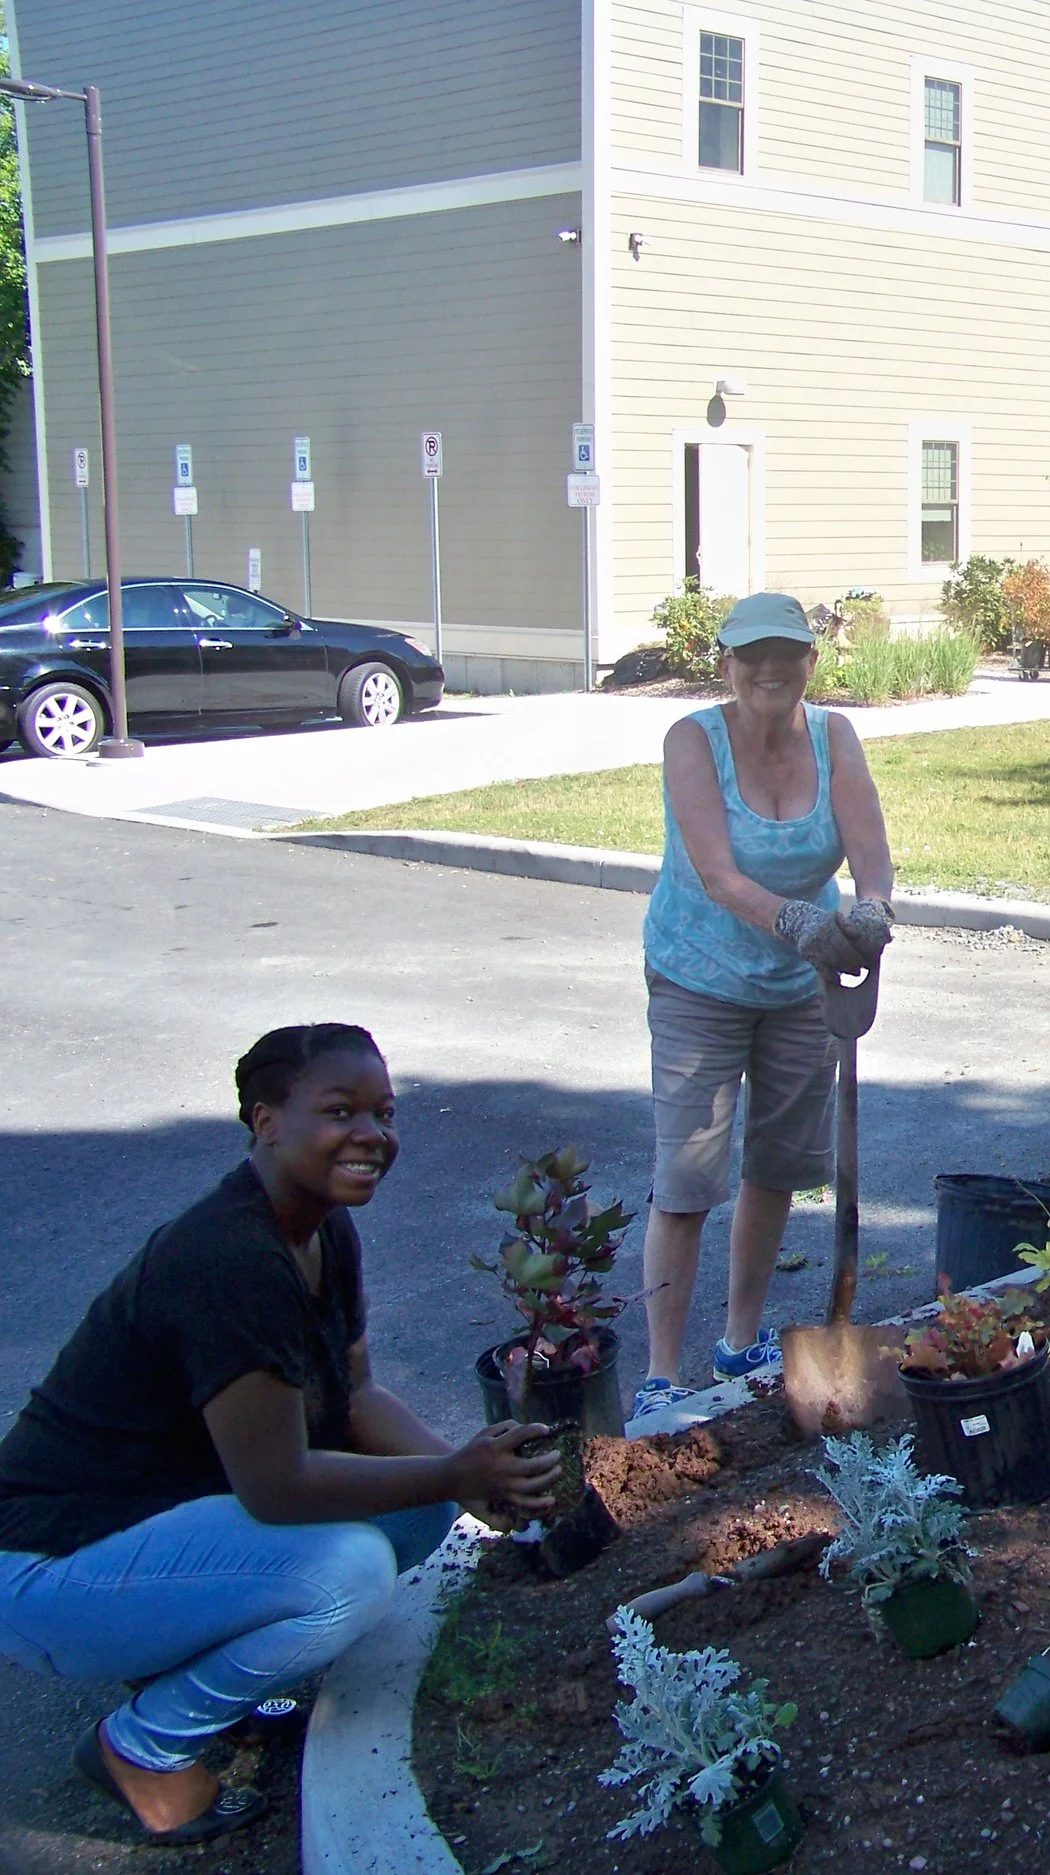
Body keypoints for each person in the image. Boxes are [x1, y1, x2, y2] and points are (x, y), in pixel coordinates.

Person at [0, 1025, 560, 1846]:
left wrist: (465, 1474)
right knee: (351, 1570)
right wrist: (454, 1472)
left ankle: (174, 1665)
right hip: (44, 1565)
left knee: (418, 1513)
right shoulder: (228, 1258)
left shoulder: (322, 1229)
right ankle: (143, 1749)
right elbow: (277, 1486)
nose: (371, 1134)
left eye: (384, 1112)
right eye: (340, 1110)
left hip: (138, 1528)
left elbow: (359, 1394)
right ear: (265, 1120)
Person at [638, 592, 896, 1421]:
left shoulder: (835, 737)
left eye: (787, 652)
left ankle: (741, 1340)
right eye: (751, 654)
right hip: (698, 975)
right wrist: (798, 920)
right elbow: (716, 873)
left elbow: (873, 860)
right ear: (726, 663)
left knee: (780, 1163)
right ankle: (661, 1373)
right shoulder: (692, 740)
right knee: (687, 1175)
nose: (769, 668)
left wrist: (870, 913)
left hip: (800, 989)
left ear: (811, 663)